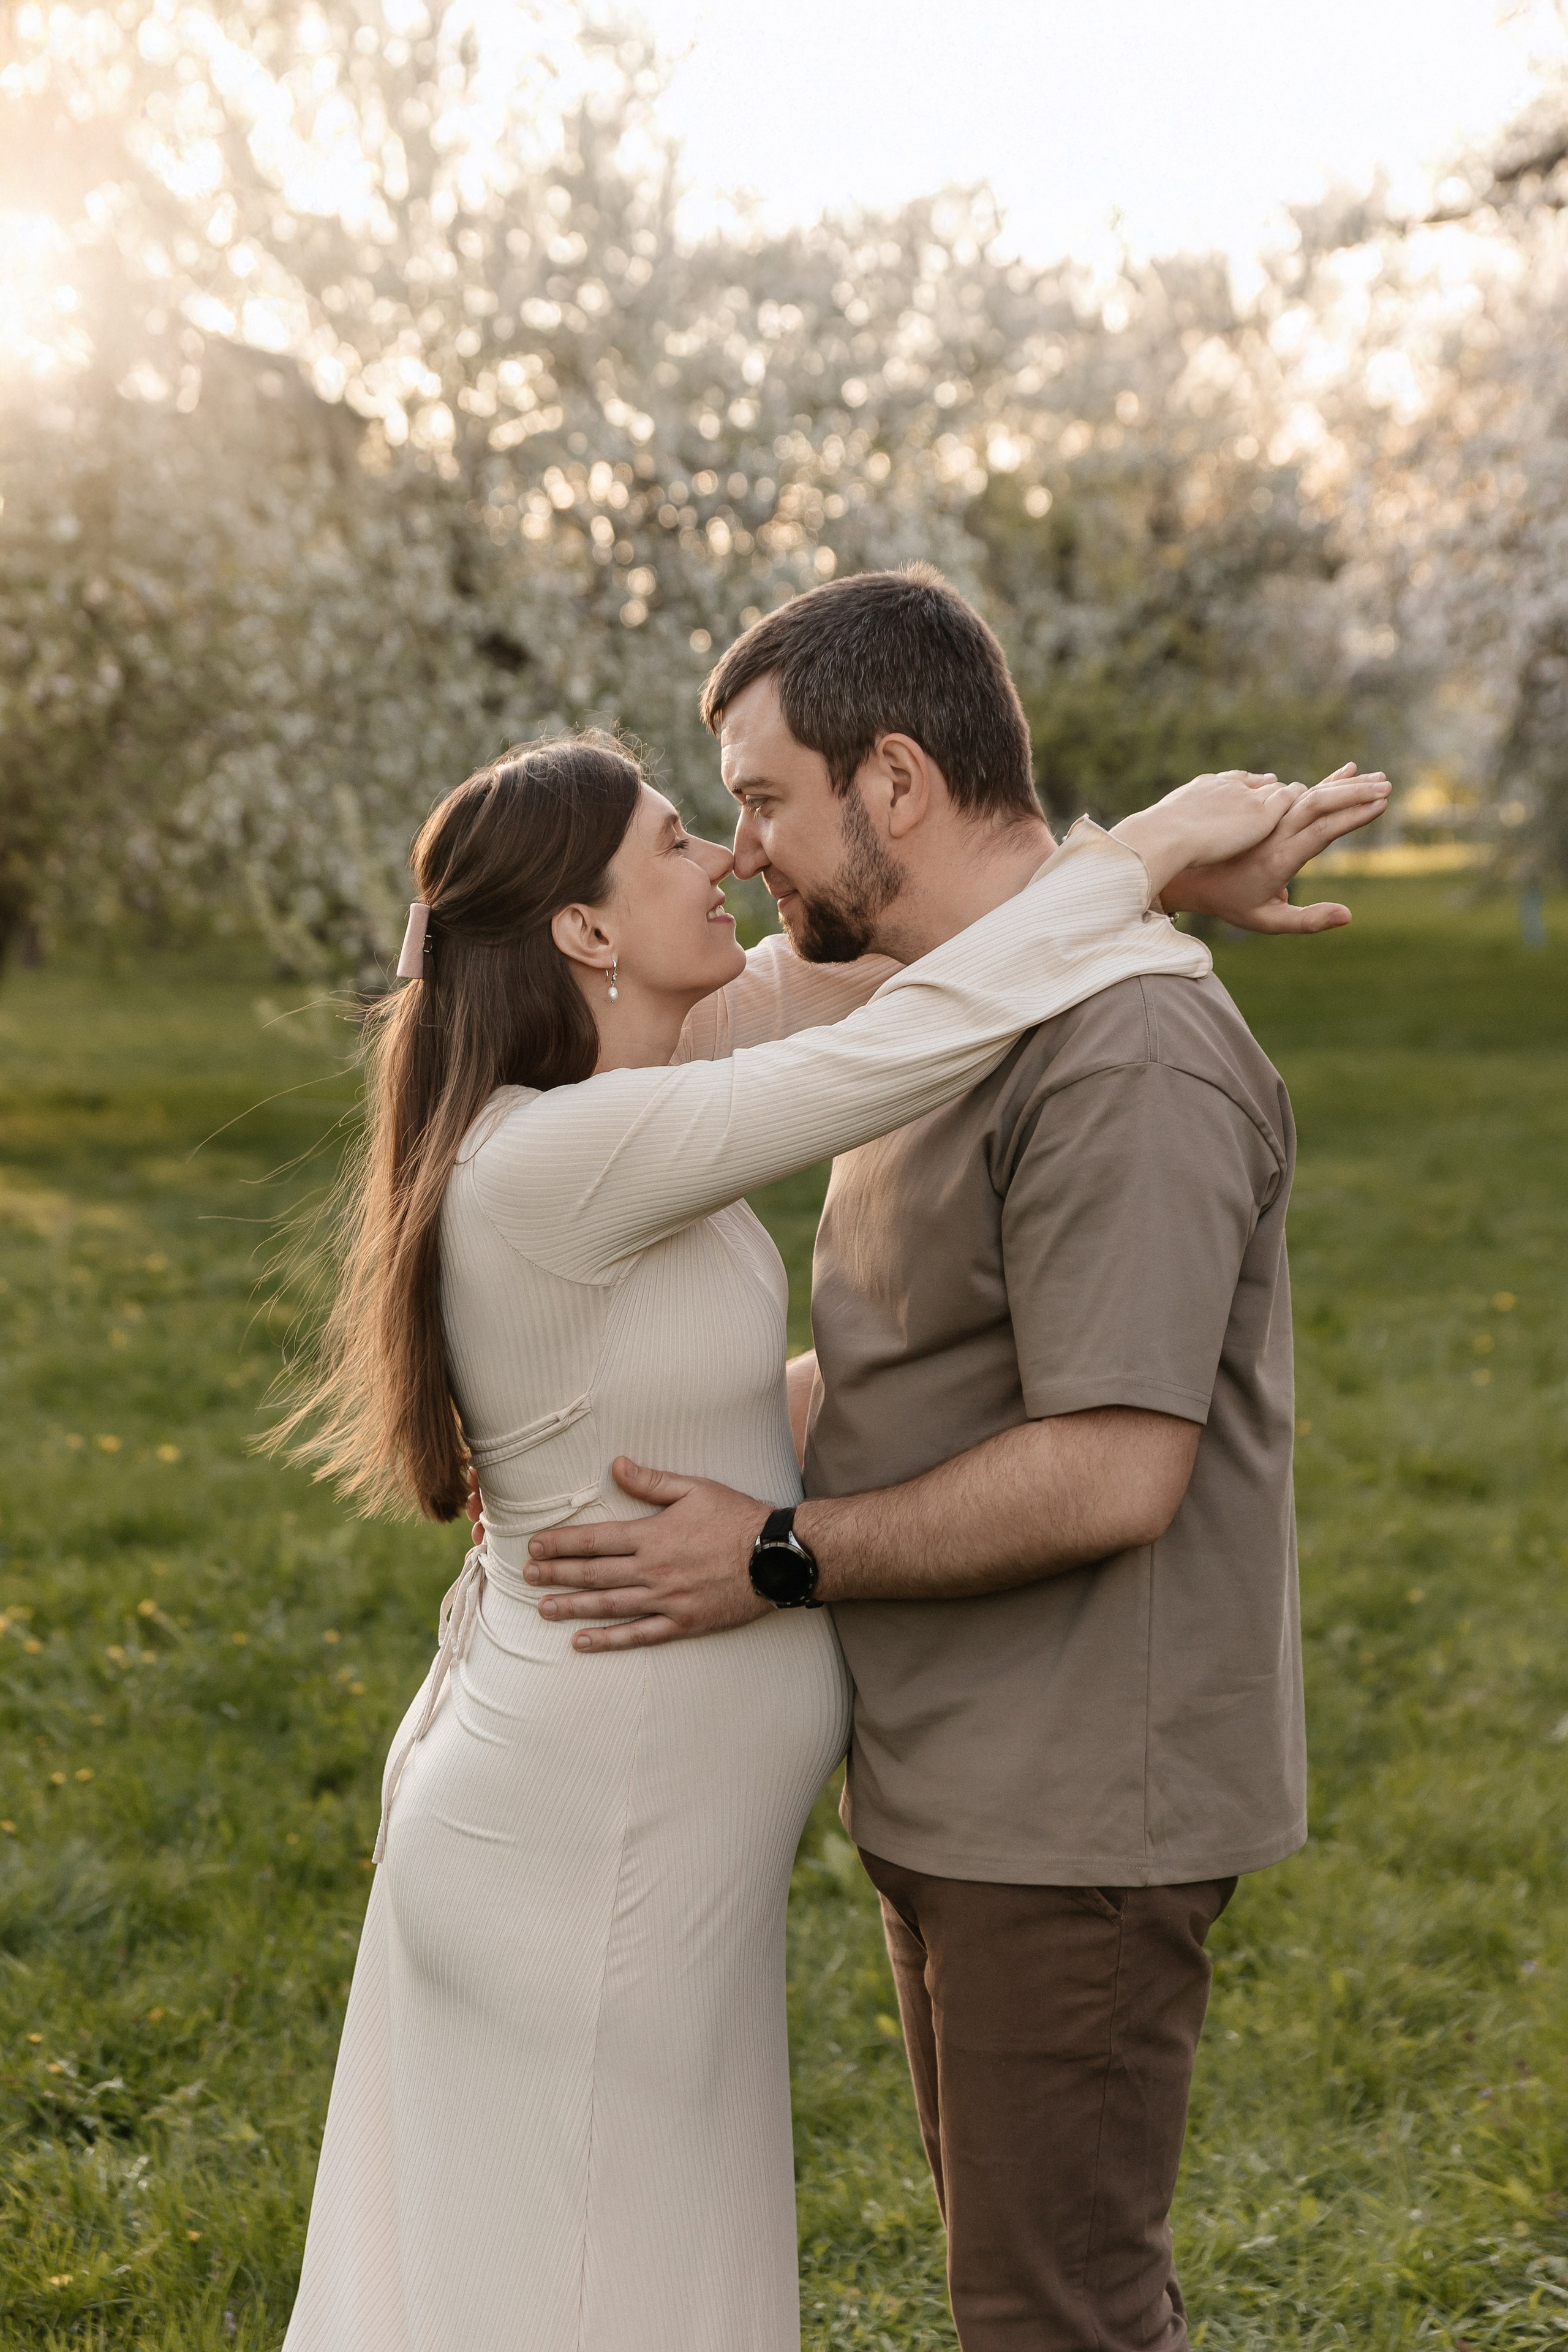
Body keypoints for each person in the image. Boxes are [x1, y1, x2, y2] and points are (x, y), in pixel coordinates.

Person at [272, 713, 1357, 2352]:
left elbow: (914, 967)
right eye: (678, 841)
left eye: (738, 812)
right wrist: (1141, 848)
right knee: (580, 2293)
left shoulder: (617, 1090)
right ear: (584, 933)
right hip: (587, 1838)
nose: (729, 853)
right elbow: (902, 1044)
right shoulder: (567, 1149)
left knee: (624, 2279)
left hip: (637, 1830)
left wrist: (1146, 889)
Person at [522, 569, 1392, 2352]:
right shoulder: (927, 1013)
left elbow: (1112, 1470)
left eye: (765, 799)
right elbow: (905, 1362)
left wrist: (771, 1554)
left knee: (1055, 2318)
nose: (746, 851)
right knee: (1028, 2299)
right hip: (960, 1773)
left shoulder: (1125, 1046)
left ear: (896, 782)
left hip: (1077, 1800)